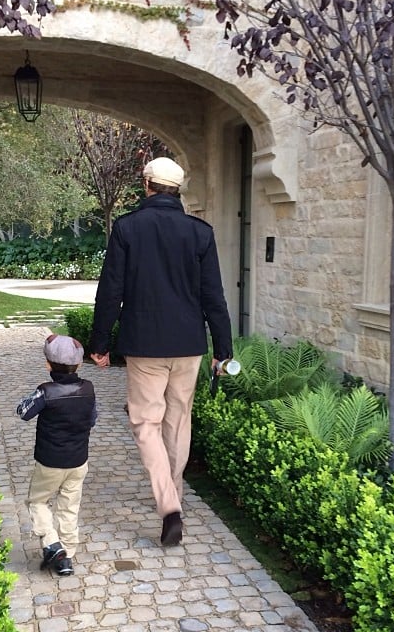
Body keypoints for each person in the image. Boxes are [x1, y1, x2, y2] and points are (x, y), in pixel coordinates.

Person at [89, 157, 233, 546]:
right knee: (178, 421)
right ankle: (176, 498)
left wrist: (99, 344)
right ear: (177, 189)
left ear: (147, 185)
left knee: (146, 423)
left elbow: (110, 292)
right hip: (189, 345)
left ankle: (168, 505)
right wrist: (223, 350)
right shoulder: (200, 232)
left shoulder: (127, 228)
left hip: (145, 346)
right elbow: (214, 297)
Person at [16, 333, 97, 576]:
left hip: (50, 461)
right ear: (80, 365)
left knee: (37, 501)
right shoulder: (89, 389)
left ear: (48, 365)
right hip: (78, 460)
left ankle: (52, 544)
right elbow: (92, 419)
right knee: (69, 506)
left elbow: (23, 411)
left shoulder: (46, 392)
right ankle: (67, 554)